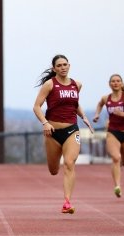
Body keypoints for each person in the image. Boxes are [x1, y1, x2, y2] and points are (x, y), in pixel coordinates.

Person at [33, 54, 94, 214]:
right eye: (59, 65)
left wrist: (84, 117)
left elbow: (74, 104)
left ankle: (67, 202)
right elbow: (37, 106)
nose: (63, 67)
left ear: (69, 65)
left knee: (69, 163)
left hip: (72, 130)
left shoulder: (77, 85)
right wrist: (45, 123)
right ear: (54, 68)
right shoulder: (49, 85)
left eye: (65, 64)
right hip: (52, 131)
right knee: (54, 170)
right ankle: (55, 169)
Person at [92, 74, 124, 198]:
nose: (115, 83)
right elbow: (100, 104)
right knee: (116, 158)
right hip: (113, 131)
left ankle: (120, 167)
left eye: (118, 81)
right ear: (109, 84)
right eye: (113, 81)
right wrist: (97, 115)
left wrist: (122, 114)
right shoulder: (106, 98)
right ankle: (117, 186)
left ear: (121, 83)